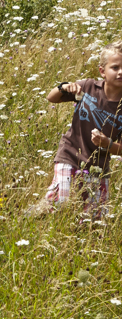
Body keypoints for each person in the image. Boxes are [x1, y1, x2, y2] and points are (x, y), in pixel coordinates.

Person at [34, 40, 122, 214]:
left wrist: (108, 144)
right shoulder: (88, 87)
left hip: (98, 166)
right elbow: (52, 98)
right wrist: (64, 87)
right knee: (62, 204)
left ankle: (45, 207)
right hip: (70, 155)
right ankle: (41, 211)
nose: (121, 72)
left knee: (95, 217)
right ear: (102, 71)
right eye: (115, 67)